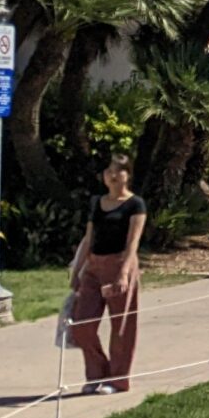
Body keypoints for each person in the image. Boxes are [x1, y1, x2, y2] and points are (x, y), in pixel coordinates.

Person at [67, 153, 145, 395]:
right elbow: (89, 238)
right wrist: (77, 270)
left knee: (120, 326)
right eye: (108, 171)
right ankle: (96, 374)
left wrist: (123, 273)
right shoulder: (97, 202)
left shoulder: (135, 204)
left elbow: (133, 242)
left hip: (120, 264)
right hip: (93, 266)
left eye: (118, 171)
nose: (112, 176)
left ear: (127, 175)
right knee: (82, 325)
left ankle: (118, 380)